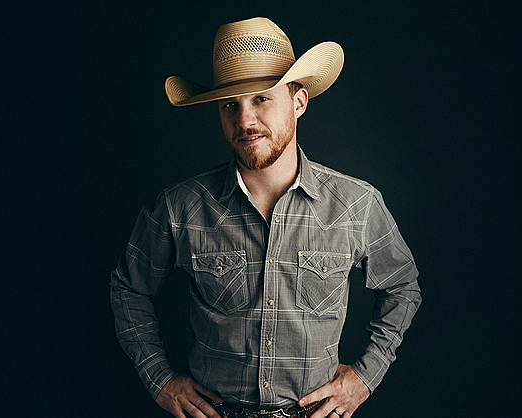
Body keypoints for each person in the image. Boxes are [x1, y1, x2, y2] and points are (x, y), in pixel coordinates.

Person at [110, 17, 421, 418]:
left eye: (261, 99)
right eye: (230, 105)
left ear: (298, 102)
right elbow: (129, 288)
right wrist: (160, 380)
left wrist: (365, 376)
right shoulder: (179, 207)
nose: (244, 121)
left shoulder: (356, 204)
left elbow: (402, 287)